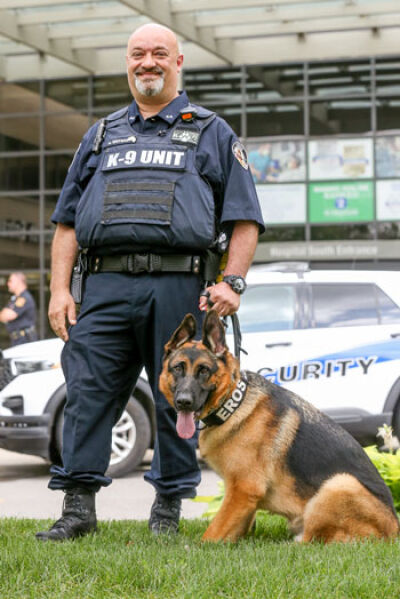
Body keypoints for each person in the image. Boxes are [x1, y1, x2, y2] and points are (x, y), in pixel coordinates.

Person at [36, 23, 264, 542]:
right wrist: (58, 289)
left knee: (180, 395)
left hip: (181, 288)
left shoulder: (212, 132)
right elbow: (67, 223)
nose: (148, 62)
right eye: (138, 54)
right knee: (88, 393)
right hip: (104, 288)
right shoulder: (99, 135)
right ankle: (77, 510)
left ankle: (166, 512)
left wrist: (233, 282)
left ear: (178, 61)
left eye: (159, 53)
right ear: (128, 63)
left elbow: (245, 218)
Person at [0, 272, 37, 347]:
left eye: (10, 281)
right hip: (19, 339)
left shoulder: (24, 298)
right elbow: (2, 316)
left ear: (18, 282)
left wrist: (4, 313)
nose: (8, 284)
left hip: (25, 340)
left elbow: (8, 315)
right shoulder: (15, 299)